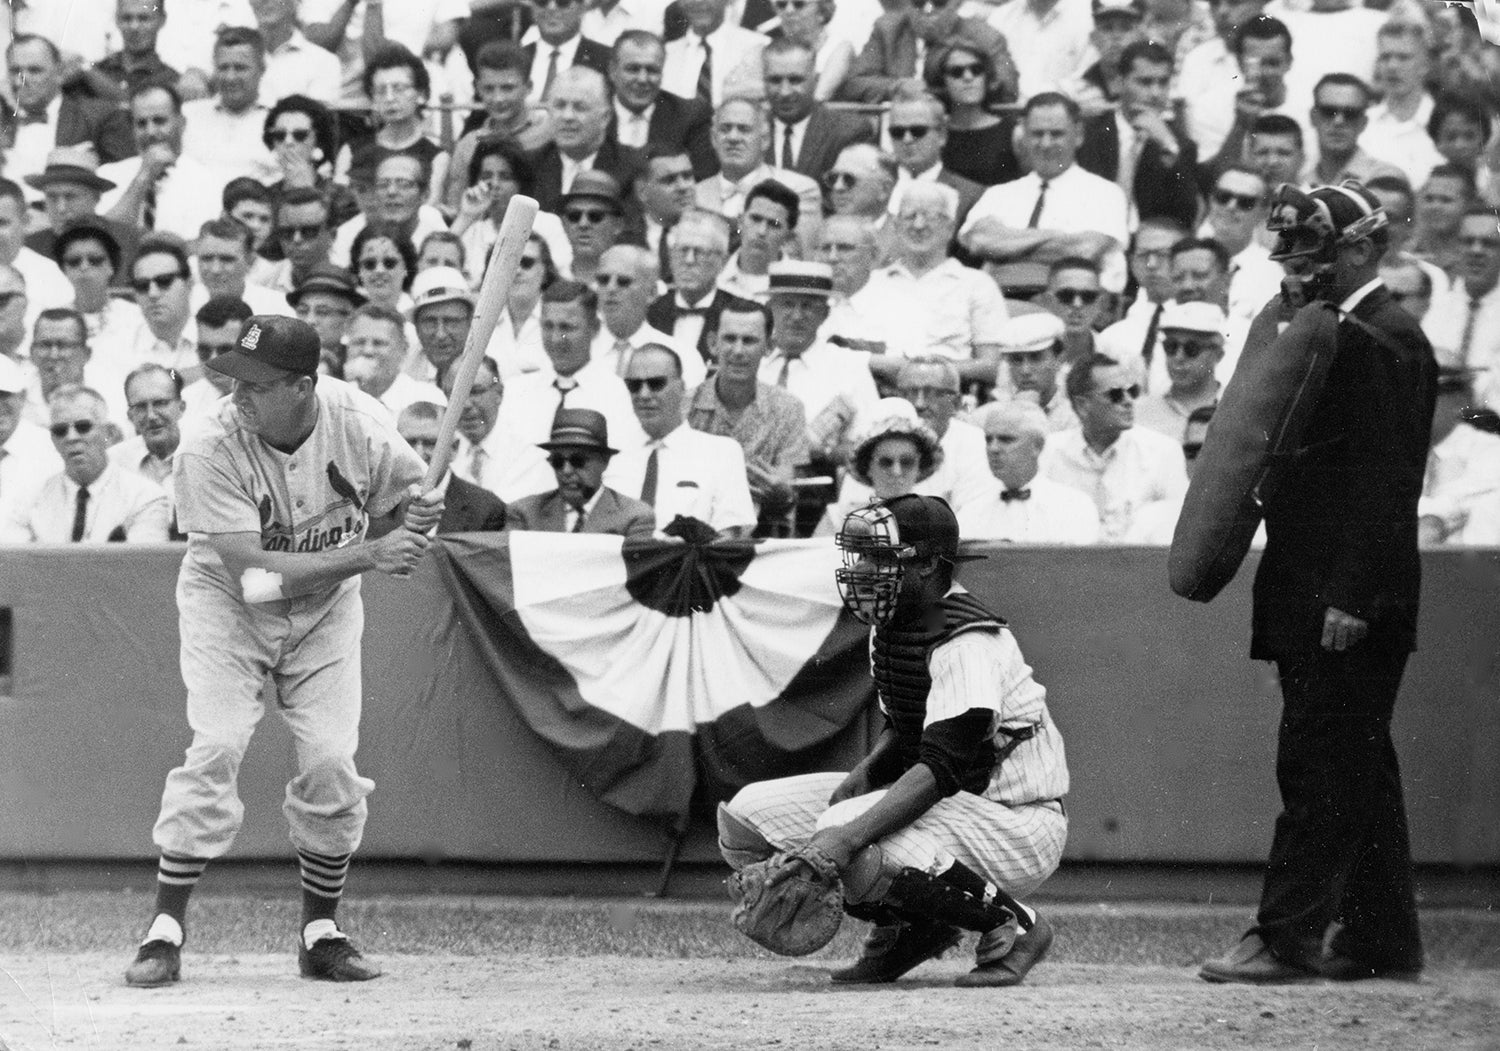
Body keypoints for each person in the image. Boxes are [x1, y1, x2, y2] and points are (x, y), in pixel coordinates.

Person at [122, 314, 444, 989]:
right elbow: (254, 576)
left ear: (304, 385)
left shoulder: (360, 422)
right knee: (216, 744)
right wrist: (374, 552)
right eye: (234, 381)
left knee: (331, 759)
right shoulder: (207, 443)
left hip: (325, 609)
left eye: (257, 385)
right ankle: (165, 927)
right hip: (229, 602)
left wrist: (417, 515)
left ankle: (320, 931)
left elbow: (412, 495)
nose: (238, 396)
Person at [1197, 180, 1435, 986]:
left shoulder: (1383, 336)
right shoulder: (1336, 327)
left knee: (1318, 761)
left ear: (1363, 249)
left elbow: (1389, 481)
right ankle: (1381, 937)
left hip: (1347, 597)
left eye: (1314, 258)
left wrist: (1352, 596)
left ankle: (1286, 935)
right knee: (1358, 764)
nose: (1296, 274)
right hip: (1315, 584)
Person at [719, 492, 1069, 986]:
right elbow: (908, 726)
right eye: (860, 556)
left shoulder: (968, 640)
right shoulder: (893, 623)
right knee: (749, 817)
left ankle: (1016, 923)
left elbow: (942, 767)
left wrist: (842, 837)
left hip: (1016, 822)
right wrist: (867, 772)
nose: (862, 569)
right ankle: (913, 929)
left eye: (879, 558)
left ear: (925, 565)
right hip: (954, 815)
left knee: (846, 832)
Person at [960, 93, 1129, 301]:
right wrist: (1053, 236)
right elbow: (979, 242)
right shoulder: (999, 194)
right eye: (1037, 134)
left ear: (1078, 135)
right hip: (1001, 305)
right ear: (1024, 135)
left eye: (1056, 134)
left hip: (1071, 304)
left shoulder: (1105, 193)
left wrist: (1006, 245)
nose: (1046, 144)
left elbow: (1083, 251)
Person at [607, 342, 758, 537]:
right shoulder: (611, 453)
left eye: (656, 384)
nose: (643, 395)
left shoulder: (721, 453)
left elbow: (730, 535)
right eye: (634, 386)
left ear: (682, 388)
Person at [687, 297, 809, 529]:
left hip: (763, 538)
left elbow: (787, 489)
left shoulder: (788, 409)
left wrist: (781, 493)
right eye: (730, 339)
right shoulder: (685, 406)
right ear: (713, 343)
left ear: (769, 347)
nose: (738, 351)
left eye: (750, 340)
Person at [1039, 352, 1188, 541]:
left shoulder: (1164, 452)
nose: (1128, 401)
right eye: (1115, 394)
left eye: (1132, 391)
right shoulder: (1049, 452)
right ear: (1083, 405)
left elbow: (1178, 527)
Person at [2, 384, 170, 543]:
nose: (71, 437)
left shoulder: (144, 497)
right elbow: (13, 565)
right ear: (52, 440)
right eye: (60, 430)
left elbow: (145, 568)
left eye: (83, 427)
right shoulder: (29, 501)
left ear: (107, 433)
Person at [758, 260, 879, 466]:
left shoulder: (849, 367)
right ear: (771, 309)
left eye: (808, 307)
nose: (797, 316)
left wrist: (823, 451)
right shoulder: (752, 360)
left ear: (825, 314)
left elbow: (872, 445)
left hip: (818, 488)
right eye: (788, 304)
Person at [1077, 39, 1200, 232]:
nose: (1155, 93)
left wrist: (1168, 146)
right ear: (1119, 83)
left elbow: (1186, 215)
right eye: (1145, 82)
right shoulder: (1088, 134)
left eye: (1163, 82)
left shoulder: (1181, 145)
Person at [959, 400, 1099, 544]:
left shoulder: (1073, 507)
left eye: (1006, 439)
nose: (993, 448)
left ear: (1037, 447)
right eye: (988, 440)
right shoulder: (972, 511)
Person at [98, 83, 223, 242]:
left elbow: (198, 244)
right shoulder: (109, 174)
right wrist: (144, 177)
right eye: (141, 124)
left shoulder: (207, 181)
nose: (150, 132)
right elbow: (105, 238)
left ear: (182, 124)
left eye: (159, 121)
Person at [508, 407, 657, 536]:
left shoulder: (633, 517)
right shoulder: (525, 514)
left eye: (578, 461)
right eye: (558, 462)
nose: (566, 471)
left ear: (604, 461)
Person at [841, 0, 1017, 107]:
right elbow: (853, 84)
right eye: (919, 2)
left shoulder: (985, 36)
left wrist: (935, 92)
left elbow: (1007, 87)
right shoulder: (888, 29)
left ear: (957, 3)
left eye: (939, 1)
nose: (928, 8)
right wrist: (897, 88)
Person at [815, 398, 944, 536]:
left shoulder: (935, 521)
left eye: (907, 462)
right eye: (886, 462)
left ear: (919, 466)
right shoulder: (839, 519)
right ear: (868, 467)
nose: (896, 472)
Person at [606, 30, 716, 178]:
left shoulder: (690, 116)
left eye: (652, 70)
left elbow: (701, 177)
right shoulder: (593, 114)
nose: (642, 79)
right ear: (612, 71)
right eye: (633, 69)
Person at [761, 38, 875, 180]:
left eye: (795, 80)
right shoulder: (750, 131)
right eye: (775, 80)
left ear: (815, 80)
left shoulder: (848, 132)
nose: (785, 92)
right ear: (763, 81)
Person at [180, 25, 279, 187]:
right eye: (223, 68)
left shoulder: (278, 120)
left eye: (240, 68)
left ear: (262, 69)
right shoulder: (188, 115)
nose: (230, 77)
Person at [1423, 207, 1500, 409]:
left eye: (1489, 243)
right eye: (1468, 242)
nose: (1476, 251)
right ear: (1457, 247)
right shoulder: (1435, 310)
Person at [396, 401, 509, 534]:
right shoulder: (375, 500)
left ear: (454, 448)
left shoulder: (486, 509)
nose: (418, 454)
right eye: (409, 442)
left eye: (431, 444)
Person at [926, 41, 1021, 189]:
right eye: (957, 72)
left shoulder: (1013, 133)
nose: (968, 77)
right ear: (942, 81)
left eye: (976, 69)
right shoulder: (933, 133)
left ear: (986, 76)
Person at [109, 362, 188, 528]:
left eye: (160, 403)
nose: (151, 415)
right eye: (140, 407)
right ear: (130, 416)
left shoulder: (206, 456)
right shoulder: (114, 463)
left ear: (181, 408)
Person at [1133, 301, 1225, 440]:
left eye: (1192, 349)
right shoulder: (1139, 413)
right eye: (1171, 346)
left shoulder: (1238, 410)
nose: (1179, 357)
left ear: (1217, 355)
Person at [342, 304, 446, 417]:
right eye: (359, 342)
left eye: (379, 343)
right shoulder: (336, 398)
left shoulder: (427, 397)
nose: (368, 351)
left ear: (403, 349)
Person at [991, 312, 1079, 433]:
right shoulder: (995, 411)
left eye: (1035, 358)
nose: (1025, 370)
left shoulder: (1075, 413)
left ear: (1059, 359)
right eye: (1016, 360)